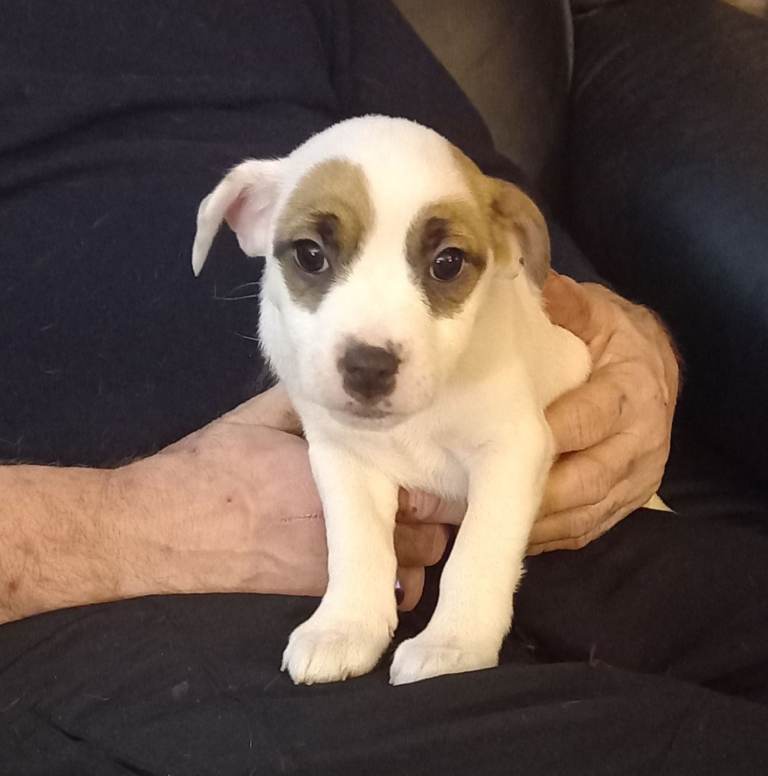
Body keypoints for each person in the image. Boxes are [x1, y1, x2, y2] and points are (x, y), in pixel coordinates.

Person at [1, 1, 767, 773]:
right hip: (123, 609)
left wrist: (622, 337)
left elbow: (484, 193)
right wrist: (111, 530)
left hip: (541, 504)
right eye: (310, 256)